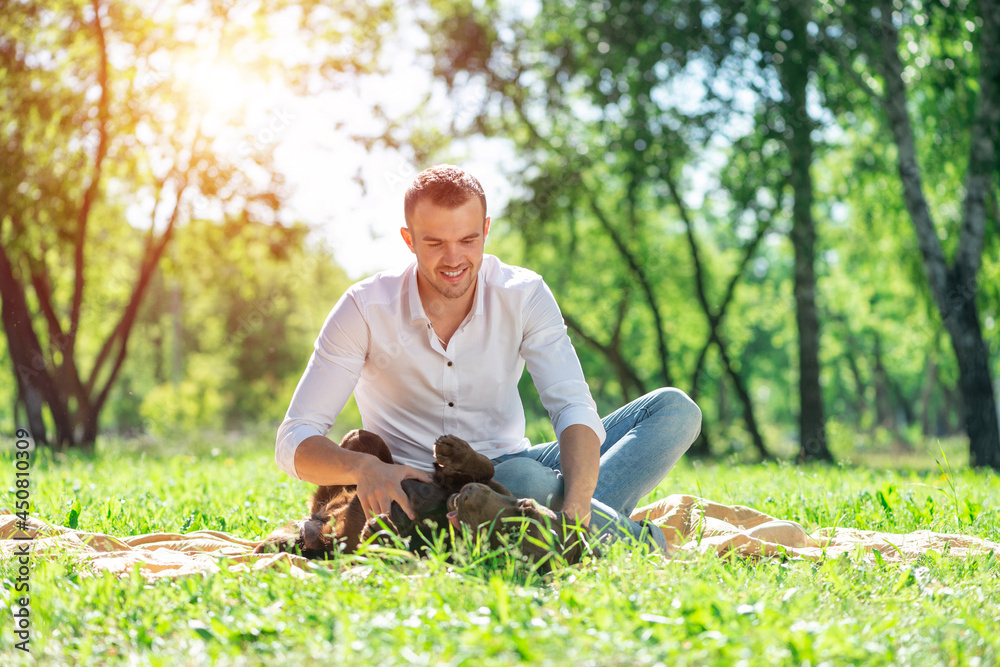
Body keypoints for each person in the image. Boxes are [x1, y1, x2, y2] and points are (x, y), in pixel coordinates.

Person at [275, 164, 702, 553]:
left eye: (468, 239)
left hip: (512, 460)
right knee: (525, 483)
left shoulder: (523, 293)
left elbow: (571, 406)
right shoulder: (364, 308)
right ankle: (638, 543)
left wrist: (575, 504)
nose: (454, 259)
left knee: (674, 410)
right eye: (435, 243)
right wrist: (365, 468)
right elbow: (294, 438)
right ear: (408, 239)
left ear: (486, 229)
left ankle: (553, 526)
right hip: (421, 491)